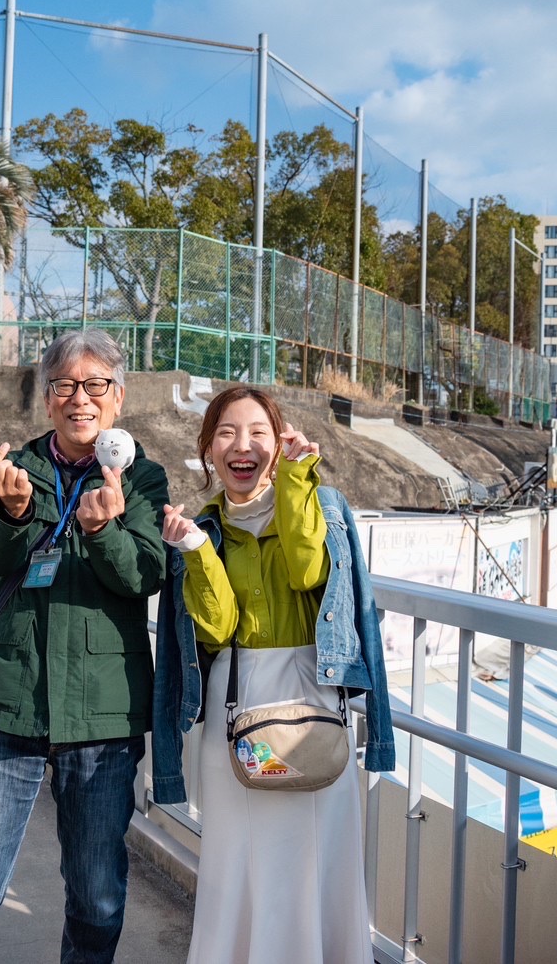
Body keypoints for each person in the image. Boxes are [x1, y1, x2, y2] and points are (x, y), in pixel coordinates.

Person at [0, 329, 170, 964]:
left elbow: (144, 574)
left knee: (96, 898)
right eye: (64, 385)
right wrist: (7, 510)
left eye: (95, 385)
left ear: (118, 398)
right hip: (8, 703)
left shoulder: (142, 478)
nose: (79, 398)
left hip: (101, 718)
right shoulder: (18, 467)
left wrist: (106, 529)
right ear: (47, 397)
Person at [150, 386, 394, 963]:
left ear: (278, 443)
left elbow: (309, 568)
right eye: (227, 433)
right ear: (207, 448)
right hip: (236, 704)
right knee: (237, 859)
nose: (243, 445)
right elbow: (216, 628)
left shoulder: (319, 502)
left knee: (316, 858)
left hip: (312, 702)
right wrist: (195, 551)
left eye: (258, 432)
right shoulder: (202, 525)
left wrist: (298, 478)